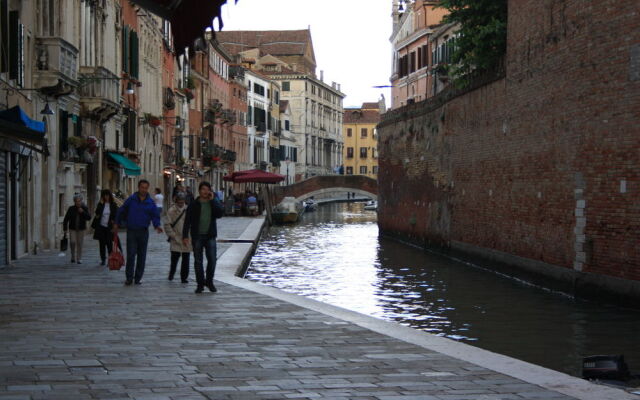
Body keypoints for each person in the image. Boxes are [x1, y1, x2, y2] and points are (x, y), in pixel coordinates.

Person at [114, 179, 163, 286]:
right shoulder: (131, 200)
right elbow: (121, 210)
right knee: (131, 255)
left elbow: (155, 215)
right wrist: (117, 223)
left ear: (147, 188)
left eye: (146, 188)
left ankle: (138, 278)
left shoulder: (150, 202)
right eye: (142, 187)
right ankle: (129, 278)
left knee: (142, 256)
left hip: (143, 231)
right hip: (131, 231)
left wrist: (157, 225)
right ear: (138, 187)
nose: (144, 190)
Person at [182, 182, 224, 294]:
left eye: (207, 189)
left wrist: (213, 200)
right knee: (198, 261)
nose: (205, 191)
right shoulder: (194, 204)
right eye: (203, 189)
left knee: (212, 260)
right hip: (197, 236)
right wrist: (185, 235)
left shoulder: (212, 202)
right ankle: (200, 284)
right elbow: (187, 221)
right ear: (199, 191)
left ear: (210, 191)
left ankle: (209, 281)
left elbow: (220, 213)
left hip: (210, 235)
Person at [164, 192, 191, 283]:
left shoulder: (188, 210)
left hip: (186, 238)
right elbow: (167, 224)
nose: (181, 203)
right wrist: (172, 235)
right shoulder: (171, 211)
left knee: (186, 259)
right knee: (174, 259)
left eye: (182, 201)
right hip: (175, 237)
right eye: (179, 201)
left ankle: (184, 277)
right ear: (176, 201)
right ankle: (172, 273)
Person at [92, 189, 119, 266]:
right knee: (102, 244)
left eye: (107, 195)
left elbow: (116, 215)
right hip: (101, 227)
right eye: (104, 195)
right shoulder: (101, 204)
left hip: (109, 227)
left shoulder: (113, 205)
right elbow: (97, 213)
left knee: (109, 244)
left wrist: (114, 222)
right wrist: (100, 204)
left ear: (110, 196)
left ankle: (110, 259)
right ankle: (103, 259)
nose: (106, 197)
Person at [63, 194, 91, 264]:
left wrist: (83, 212)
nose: (78, 202)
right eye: (76, 201)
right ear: (74, 202)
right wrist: (65, 228)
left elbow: (89, 217)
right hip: (72, 228)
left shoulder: (84, 208)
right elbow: (66, 219)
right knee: (72, 242)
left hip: (81, 229)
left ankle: (79, 258)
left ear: (81, 201)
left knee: (79, 243)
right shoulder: (71, 209)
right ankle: (73, 256)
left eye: (79, 201)